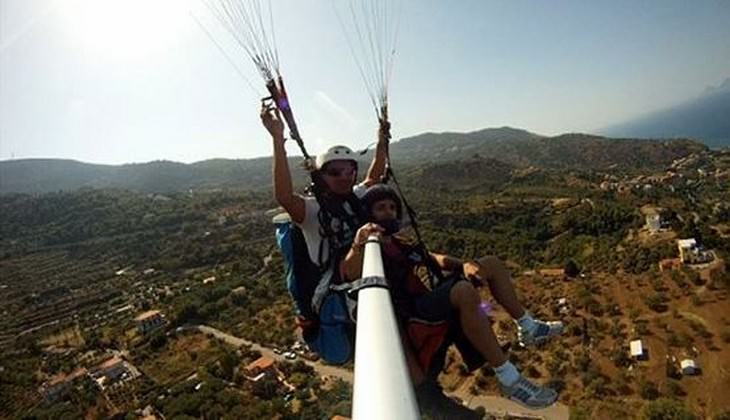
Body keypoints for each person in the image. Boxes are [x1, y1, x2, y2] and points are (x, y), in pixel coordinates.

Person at [341, 184, 564, 409]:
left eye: (391, 207)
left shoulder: (400, 243)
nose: (388, 212)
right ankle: (509, 379)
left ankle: (527, 326)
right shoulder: (372, 247)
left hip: (426, 297)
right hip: (412, 310)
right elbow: (347, 272)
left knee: (491, 264)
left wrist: (464, 265)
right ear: (369, 214)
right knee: (463, 291)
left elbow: (430, 257)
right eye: (381, 208)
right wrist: (359, 243)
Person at [260, 103, 389, 315]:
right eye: (335, 172)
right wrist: (277, 138)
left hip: (365, 270)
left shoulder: (354, 196)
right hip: (336, 284)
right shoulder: (311, 210)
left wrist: (382, 141)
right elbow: (284, 196)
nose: (344, 177)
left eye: (349, 170)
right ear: (321, 177)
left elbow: (373, 177)